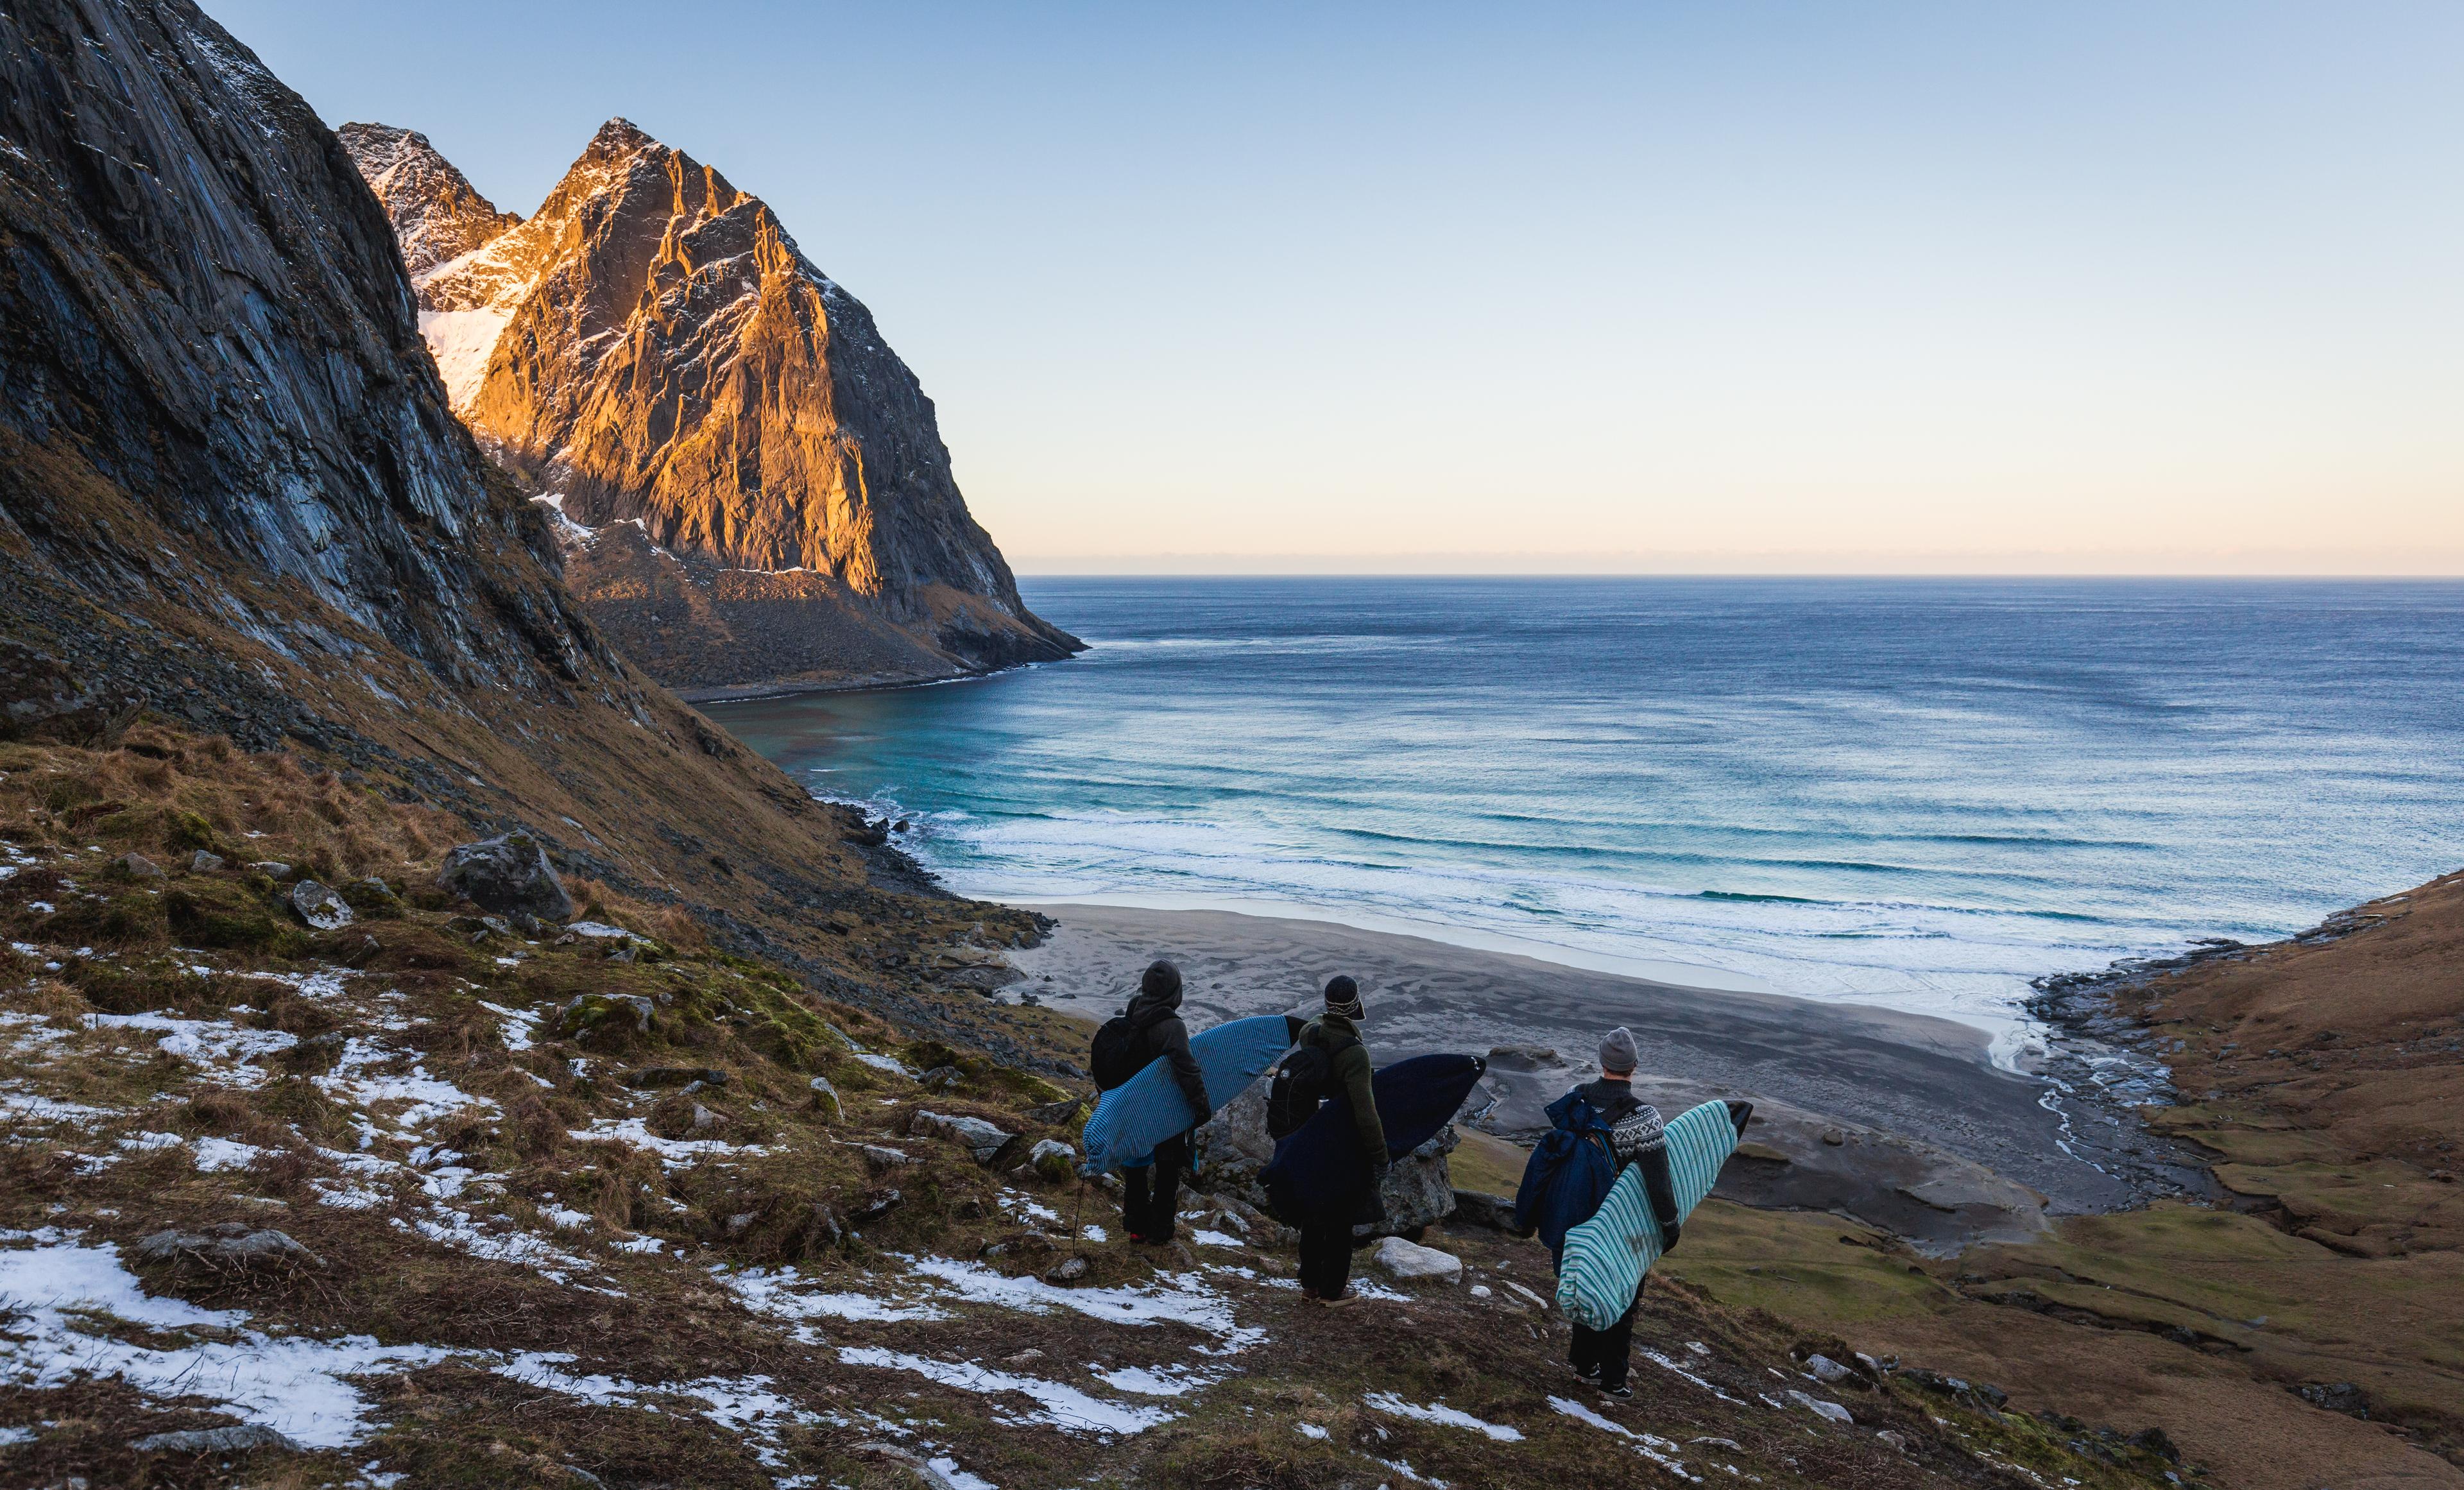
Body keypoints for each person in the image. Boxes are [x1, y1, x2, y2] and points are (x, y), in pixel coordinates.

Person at [1510, 1025, 1679, 1398]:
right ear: (1634, 1067)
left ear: (1602, 1063)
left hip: (1571, 1216)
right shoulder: (1645, 1117)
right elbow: (1658, 1181)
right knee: (1622, 1297)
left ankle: (1585, 1366)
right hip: (1615, 1223)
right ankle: (1614, 1381)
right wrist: (1669, 1226)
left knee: (1582, 1285)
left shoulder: (1576, 1098)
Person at [1292, 975, 1385, 1305]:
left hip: (1310, 1136)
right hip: (1343, 1146)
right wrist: (1379, 1154)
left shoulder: (1310, 1032)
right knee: (1341, 1221)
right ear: (1355, 1003)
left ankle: (1310, 1284)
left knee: (1314, 1215)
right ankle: (1333, 1291)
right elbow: (1365, 1110)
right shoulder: (1355, 1054)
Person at [1112, 959, 1210, 1244]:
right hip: (1166, 1108)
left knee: (1137, 1165)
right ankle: (1161, 1230)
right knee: (1169, 1167)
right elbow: (1187, 1068)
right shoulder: (1171, 1025)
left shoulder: (1134, 1009)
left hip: (1136, 1101)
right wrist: (1202, 1104)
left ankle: (1136, 1226)